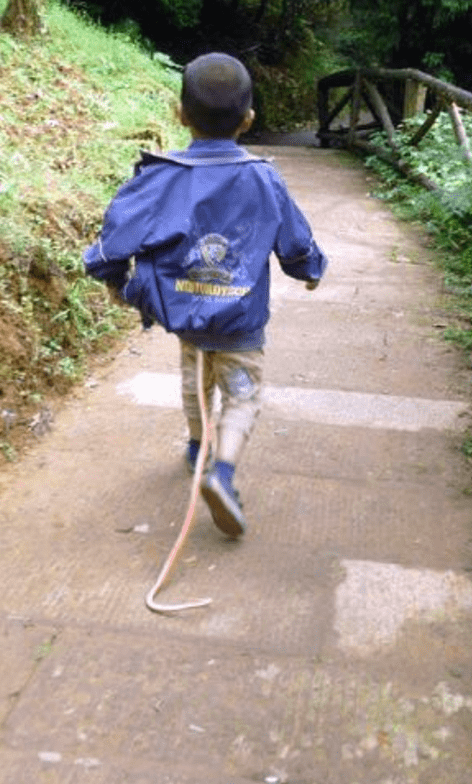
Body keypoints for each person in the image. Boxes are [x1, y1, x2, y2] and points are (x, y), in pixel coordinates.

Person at [82, 52, 328, 538]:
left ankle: (198, 447)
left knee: (196, 377)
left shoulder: (160, 174)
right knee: (241, 395)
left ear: (180, 115)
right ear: (249, 119)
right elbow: (295, 240)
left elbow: (117, 234)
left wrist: (113, 280)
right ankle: (224, 470)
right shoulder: (263, 176)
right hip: (240, 322)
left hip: (186, 315)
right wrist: (309, 270)